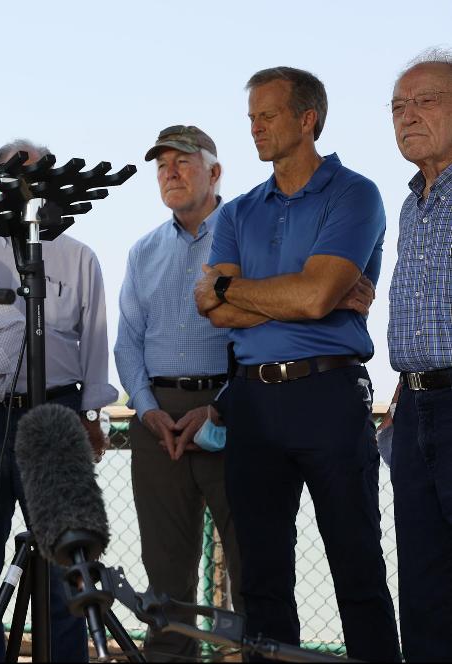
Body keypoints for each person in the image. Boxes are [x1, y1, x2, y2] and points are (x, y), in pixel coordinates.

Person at [193, 66, 398, 660]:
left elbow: (314, 296)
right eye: (251, 118)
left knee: (357, 569)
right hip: (252, 402)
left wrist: (246, 290)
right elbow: (212, 306)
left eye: (268, 115)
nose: (255, 129)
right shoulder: (237, 212)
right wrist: (301, 294)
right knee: (260, 581)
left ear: (307, 120)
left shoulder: (354, 193)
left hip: (327, 396)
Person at [0, 139, 117, 662]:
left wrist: (92, 417)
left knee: (63, 564)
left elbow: (95, 342)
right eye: (10, 173)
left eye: (32, 172)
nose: (23, 182)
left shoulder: (78, 257)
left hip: (56, 412)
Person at [115, 125, 241, 660]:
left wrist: (220, 406)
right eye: (162, 163)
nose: (170, 171)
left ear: (214, 172)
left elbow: (261, 335)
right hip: (157, 422)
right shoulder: (143, 251)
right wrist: (146, 411)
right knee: (165, 576)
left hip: (232, 411)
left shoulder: (244, 236)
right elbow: (127, 342)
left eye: (184, 161)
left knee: (252, 564)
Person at [383, 48, 452, 662]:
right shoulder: (411, 204)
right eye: (398, 106)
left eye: (426, 100)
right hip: (414, 408)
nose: (408, 116)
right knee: (424, 587)